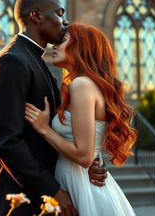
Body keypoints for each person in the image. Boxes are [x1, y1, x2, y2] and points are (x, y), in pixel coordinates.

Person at [0, 0, 107, 216]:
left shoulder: (39, 63)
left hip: (39, 198)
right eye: (59, 14)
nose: (65, 22)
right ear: (36, 16)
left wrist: (87, 165)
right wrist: (53, 191)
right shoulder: (12, 61)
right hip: (15, 200)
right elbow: (6, 142)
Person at [25, 23, 137, 215]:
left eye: (62, 41)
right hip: (80, 178)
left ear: (80, 46)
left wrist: (44, 129)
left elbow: (84, 156)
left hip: (80, 182)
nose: (54, 46)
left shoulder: (82, 84)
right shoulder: (84, 85)